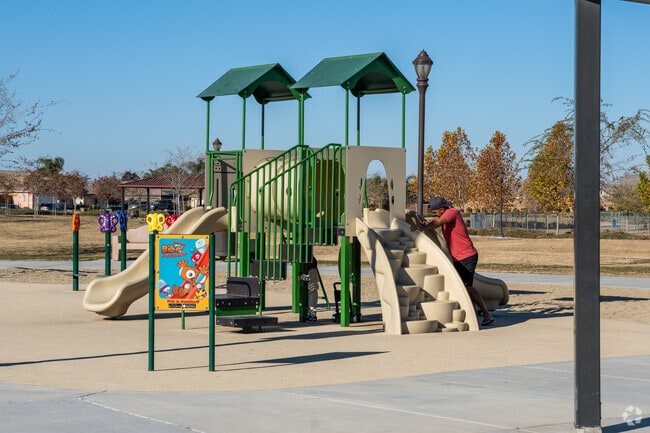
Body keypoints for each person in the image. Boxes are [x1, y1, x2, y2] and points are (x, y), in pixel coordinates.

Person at [416, 196, 495, 326]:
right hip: (458, 257)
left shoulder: (453, 212)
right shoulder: (445, 214)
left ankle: (487, 314)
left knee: (467, 287)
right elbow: (435, 221)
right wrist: (424, 224)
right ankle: (474, 314)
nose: (434, 214)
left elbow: (437, 222)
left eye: (435, 212)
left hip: (466, 256)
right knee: (463, 286)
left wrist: (422, 228)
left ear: (441, 209)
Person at [301, 257, 320, 321]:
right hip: (310, 289)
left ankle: (313, 316)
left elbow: (309, 278)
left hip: (313, 289)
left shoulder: (313, 270)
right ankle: (310, 315)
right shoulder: (311, 270)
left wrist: (301, 276)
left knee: (312, 304)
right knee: (310, 304)